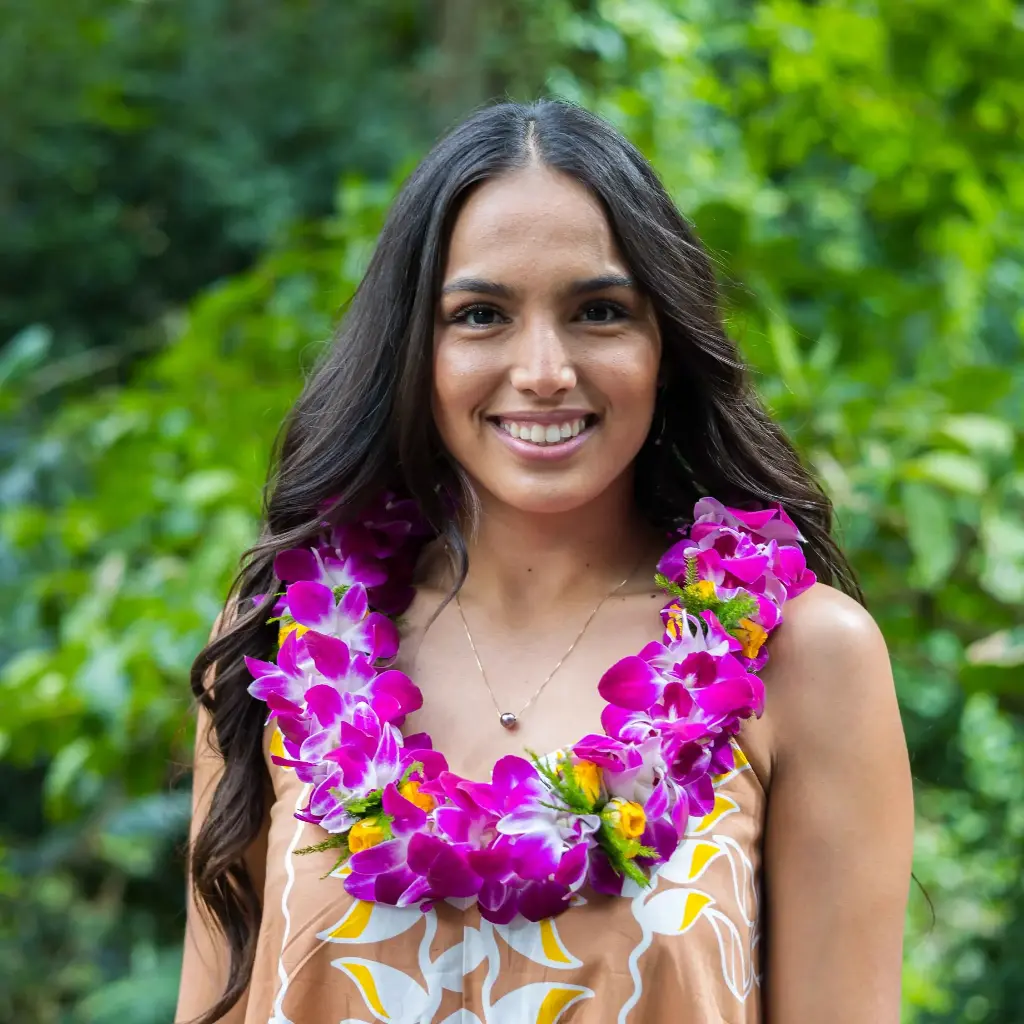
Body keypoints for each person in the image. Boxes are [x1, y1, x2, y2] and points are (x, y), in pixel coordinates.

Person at [176, 99, 913, 1024]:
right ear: (414, 350)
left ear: (665, 347)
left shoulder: (803, 658)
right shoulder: (285, 650)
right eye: (481, 315)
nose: (543, 371)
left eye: (599, 312)